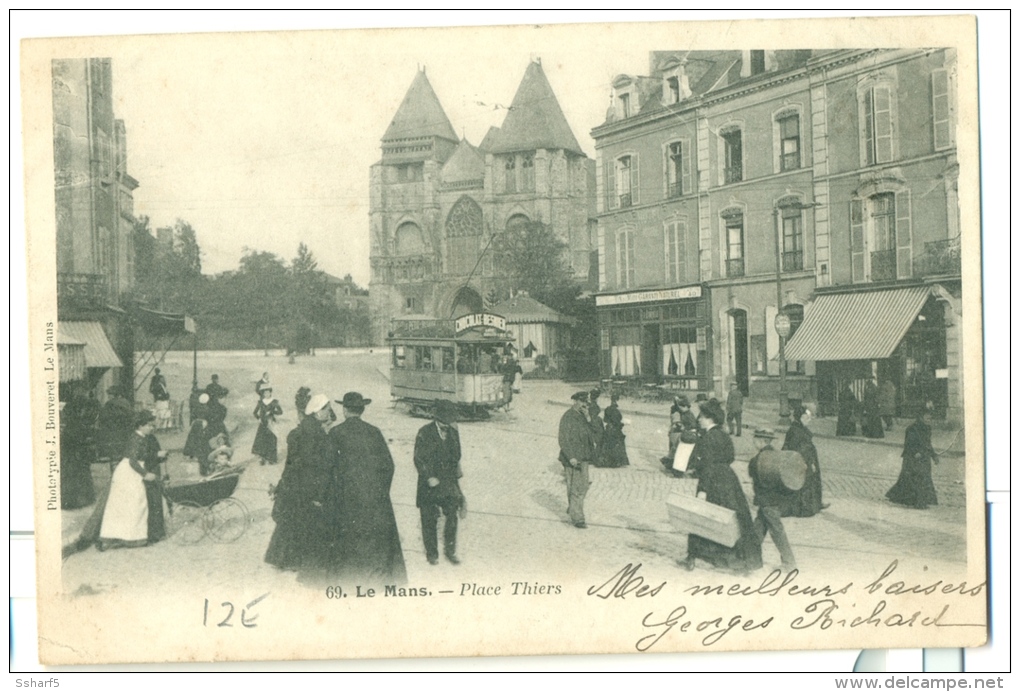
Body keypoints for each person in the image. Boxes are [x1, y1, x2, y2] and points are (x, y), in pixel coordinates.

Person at [329, 392, 407, 585]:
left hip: (347, 497)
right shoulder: (374, 432)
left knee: (348, 540)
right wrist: (380, 491)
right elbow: (388, 465)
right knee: (376, 541)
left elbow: (329, 467)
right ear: (362, 410)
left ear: (345, 410)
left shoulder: (336, 433)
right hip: (374, 497)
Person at [681, 398, 762, 573]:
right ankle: (742, 558)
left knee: (701, 518)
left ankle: (693, 555)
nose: (699, 420)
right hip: (728, 479)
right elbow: (731, 457)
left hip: (712, 481)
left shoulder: (707, 438)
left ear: (710, 418)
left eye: (701, 416)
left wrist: (702, 490)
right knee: (735, 518)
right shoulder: (724, 435)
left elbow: (707, 466)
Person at [265, 394, 338, 577]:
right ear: (317, 412)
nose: (329, 414)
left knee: (290, 523)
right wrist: (318, 493)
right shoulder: (317, 434)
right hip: (306, 487)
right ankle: (295, 561)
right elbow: (316, 465)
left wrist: (284, 483)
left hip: (294, 484)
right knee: (303, 523)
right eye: (327, 410)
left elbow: (291, 463)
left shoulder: (300, 431)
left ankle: (280, 559)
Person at [98, 411, 161, 550]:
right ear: (140, 425)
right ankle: (120, 537)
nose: (152, 428)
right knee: (130, 504)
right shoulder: (135, 438)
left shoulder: (142, 437)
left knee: (133, 505)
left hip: (134, 471)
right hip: (128, 473)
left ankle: (132, 537)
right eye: (149, 425)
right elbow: (133, 461)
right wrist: (145, 474)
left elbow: (141, 456)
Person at [414, 400, 465, 565]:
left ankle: (450, 551)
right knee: (429, 519)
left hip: (448, 482)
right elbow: (419, 459)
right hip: (429, 483)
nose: (449, 423)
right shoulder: (424, 432)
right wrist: (429, 477)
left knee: (452, 517)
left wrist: (455, 479)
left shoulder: (453, 432)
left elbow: (457, 456)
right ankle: (432, 554)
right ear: (438, 418)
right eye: (447, 420)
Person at [747, 428, 797, 570]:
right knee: (758, 528)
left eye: (755, 439)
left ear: (761, 441)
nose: (753, 441)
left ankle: (789, 562)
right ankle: (748, 556)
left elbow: (752, 471)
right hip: (774, 500)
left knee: (777, 531)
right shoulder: (776, 456)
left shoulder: (758, 459)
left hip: (766, 501)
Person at [886, 403, 939, 509]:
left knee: (922, 478)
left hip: (924, 457)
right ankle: (919, 503)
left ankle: (918, 499)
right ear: (921, 417)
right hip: (912, 458)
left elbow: (928, 444)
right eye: (927, 417)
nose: (929, 419)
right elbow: (908, 444)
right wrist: (915, 453)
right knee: (914, 479)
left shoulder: (928, 429)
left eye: (930, 418)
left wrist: (934, 456)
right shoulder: (912, 428)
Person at [558, 391, 596, 529]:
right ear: (574, 401)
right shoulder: (568, 417)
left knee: (583, 486)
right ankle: (578, 518)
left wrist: (588, 417)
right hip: (573, 457)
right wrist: (571, 456)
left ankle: (573, 508)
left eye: (586, 403)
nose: (584, 405)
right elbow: (563, 438)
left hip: (584, 455)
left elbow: (595, 432)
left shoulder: (583, 416)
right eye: (581, 402)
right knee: (576, 488)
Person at [782, 404, 827, 517]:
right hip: (801, 462)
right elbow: (797, 449)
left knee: (813, 480)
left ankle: (816, 503)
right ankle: (805, 507)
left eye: (809, 418)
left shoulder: (801, 428)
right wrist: (807, 462)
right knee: (806, 482)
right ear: (800, 418)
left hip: (808, 459)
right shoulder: (795, 430)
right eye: (806, 418)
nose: (809, 420)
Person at [60, 391, 97, 510]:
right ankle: (79, 500)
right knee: (79, 474)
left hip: (70, 452)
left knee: (70, 475)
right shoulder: (78, 421)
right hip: (76, 452)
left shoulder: (72, 419)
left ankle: (70, 501)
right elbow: (79, 437)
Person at [96, 385, 134, 462]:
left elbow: (103, 417)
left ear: (113, 395)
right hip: (125, 434)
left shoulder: (109, 404)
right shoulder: (126, 403)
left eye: (109, 394)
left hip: (113, 434)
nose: (108, 396)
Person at [663, 396, 699, 475]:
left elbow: (693, 426)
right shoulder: (684, 413)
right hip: (683, 433)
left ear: (686, 406)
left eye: (682, 407)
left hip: (688, 435)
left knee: (680, 451)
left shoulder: (689, 415)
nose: (680, 409)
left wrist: (683, 427)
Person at [252, 386, 284, 465]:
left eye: (268, 392)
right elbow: (255, 412)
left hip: (271, 423)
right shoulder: (260, 402)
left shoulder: (274, 401)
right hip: (263, 423)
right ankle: (262, 458)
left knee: (272, 439)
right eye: (265, 392)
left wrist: (272, 412)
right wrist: (258, 418)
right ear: (263, 393)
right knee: (262, 441)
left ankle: (271, 458)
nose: (267, 394)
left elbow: (280, 412)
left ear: (270, 392)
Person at [596, 393, 629, 468]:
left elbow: (605, 419)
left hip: (608, 429)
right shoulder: (616, 412)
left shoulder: (607, 409)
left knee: (606, 444)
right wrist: (623, 424)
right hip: (615, 430)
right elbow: (617, 422)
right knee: (617, 444)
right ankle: (615, 462)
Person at [587, 388, 605, 461]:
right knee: (599, 437)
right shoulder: (593, 405)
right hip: (594, 422)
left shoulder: (590, 404)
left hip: (594, 421)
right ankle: (596, 455)